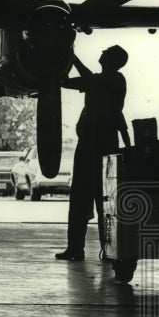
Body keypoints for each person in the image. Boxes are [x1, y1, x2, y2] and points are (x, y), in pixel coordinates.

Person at [57, 45, 132, 261]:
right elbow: (72, 82)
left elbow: (87, 80)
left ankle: (105, 249)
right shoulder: (101, 82)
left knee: (103, 200)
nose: (100, 53)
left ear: (111, 59)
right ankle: (78, 249)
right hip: (97, 144)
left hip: (100, 144)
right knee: (87, 198)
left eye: (105, 52)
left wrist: (71, 57)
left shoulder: (115, 79)